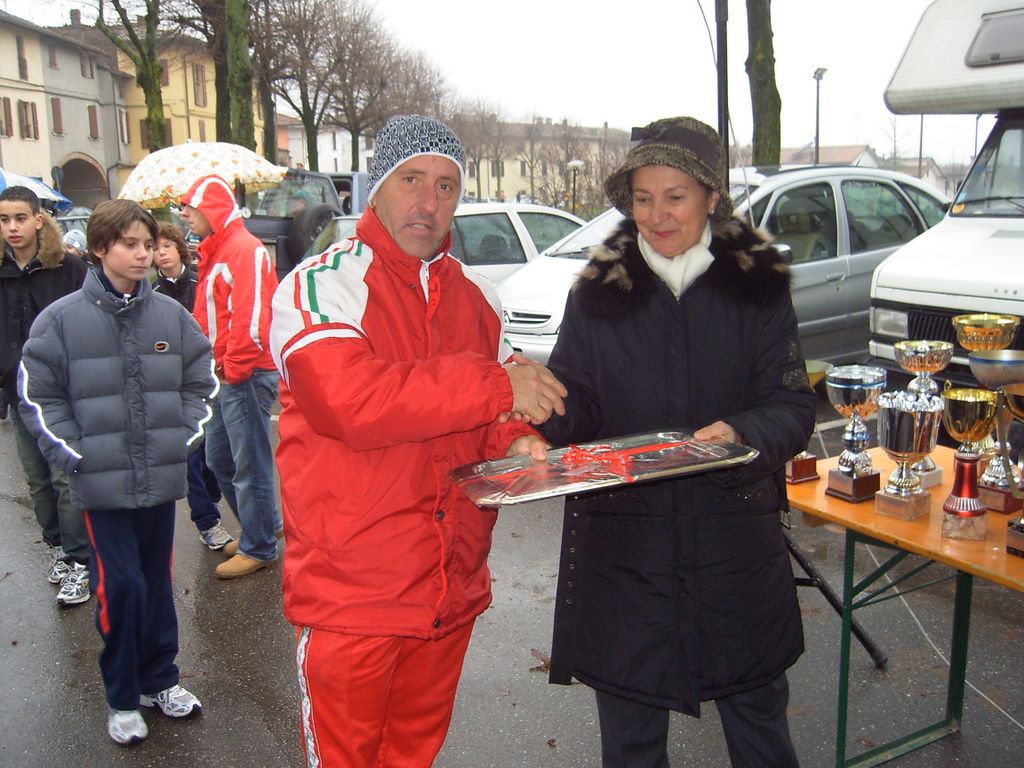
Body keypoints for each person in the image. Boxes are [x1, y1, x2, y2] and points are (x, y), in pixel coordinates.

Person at [269, 114, 565, 767]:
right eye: (411, 180)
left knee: (412, 756)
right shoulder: (322, 284)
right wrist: (498, 388)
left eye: (446, 186)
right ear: (376, 188)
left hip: (448, 585)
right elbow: (348, 401)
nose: (428, 202)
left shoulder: (478, 297)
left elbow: (498, 406)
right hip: (354, 594)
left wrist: (515, 439)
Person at [538, 117, 817, 768]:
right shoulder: (597, 293)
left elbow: (791, 405)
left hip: (733, 550)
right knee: (631, 741)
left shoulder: (757, 289)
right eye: (642, 198)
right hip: (625, 554)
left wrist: (742, 435)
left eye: (675, 196)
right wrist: (541, 410)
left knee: (759, 732)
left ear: (711, 197)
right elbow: (581, 399)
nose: (657, 215)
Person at [17, 199, 215, 745]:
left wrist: (181, 437)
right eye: (130, 244)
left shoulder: (171, 316)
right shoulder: (60, 320)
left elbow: (201, 378)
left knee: (156, 584)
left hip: (158, 483)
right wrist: (75, 454)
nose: (143, 254)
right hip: (101, 486)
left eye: (148, 244)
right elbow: (38, 394)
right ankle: (123, 696)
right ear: (100, 248)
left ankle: (161, 680)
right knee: (122, 587)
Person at [180, 174, 281, 579]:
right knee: (220, 459)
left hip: (244, 373)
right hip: (226, 374)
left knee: (248, 463)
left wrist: (232, 369)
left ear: (212, 208)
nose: (184, 215)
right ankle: (263, 528)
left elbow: (253, 317)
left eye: (190, 207)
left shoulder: (243, 249)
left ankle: (260, 545)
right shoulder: (219, 249)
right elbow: (214, 315)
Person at [0, 185, 90, 604]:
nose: (12, 227)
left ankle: (79, 561)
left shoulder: (67, 267)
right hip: (18, 392)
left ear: (39, 220)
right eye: (4, 220)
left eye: (20, 218)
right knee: (38, 481)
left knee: (65, 477)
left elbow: (87, 320)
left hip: (60, 392)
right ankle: (57, 546)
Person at [152, 222, 234, 552]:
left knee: (214, 454)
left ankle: (210, 493)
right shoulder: (152, 294)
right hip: (173, 384)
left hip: (208, 376)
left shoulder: (202, 282)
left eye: (166, 246)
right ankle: (207, 521)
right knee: (188, 456)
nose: (161, 253)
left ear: (178, 249)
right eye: (156, 248)